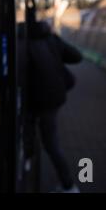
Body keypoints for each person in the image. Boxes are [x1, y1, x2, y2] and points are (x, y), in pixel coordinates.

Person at [22, 20, 82, 193]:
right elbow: (77, 56)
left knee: (50, 144)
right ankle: (28, 158)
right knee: (48, 140)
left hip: (38, 101)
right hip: (53, 99)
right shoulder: (52, 40)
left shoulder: (25, 44)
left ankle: (69, 185)